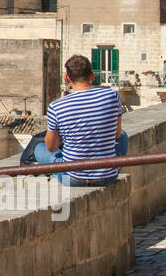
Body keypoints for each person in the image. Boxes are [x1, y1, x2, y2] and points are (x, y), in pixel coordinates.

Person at [28, 54, 128, 186]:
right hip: (108, 176)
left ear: (67, 78)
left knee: (40, 149)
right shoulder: (112, 96)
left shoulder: (56, 106)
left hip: (73, 179)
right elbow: (117, 134)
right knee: (124, 136)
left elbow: (51, 147)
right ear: (92, 76)